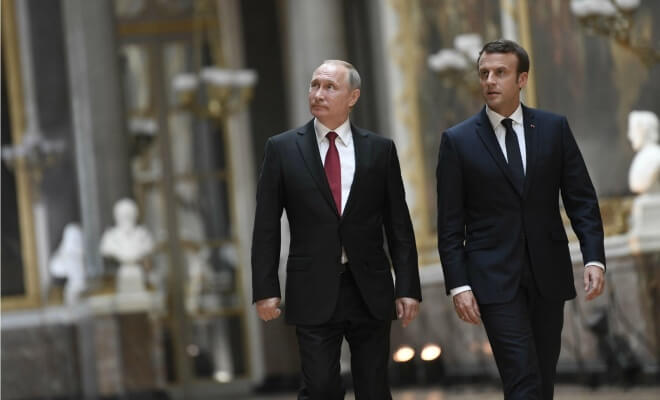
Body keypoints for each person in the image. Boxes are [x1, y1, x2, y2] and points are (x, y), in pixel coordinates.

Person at [436, 39, 605, 400]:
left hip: (548, 273)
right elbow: (449, 224)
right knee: (522, 379)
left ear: (522, 79)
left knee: (543, 380)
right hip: (493, 279)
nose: (490, 81)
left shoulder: (553, 128)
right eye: (484, 73)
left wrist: (594, 257)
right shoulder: (457, 141)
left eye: (500, 72)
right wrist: (459, 284)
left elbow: (582, 200)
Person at [251, 60, 422, 399]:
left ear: (353, 97)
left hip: (369, 287)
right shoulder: (282, 148)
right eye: (315, 85)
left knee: (374, 388)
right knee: (320, 388)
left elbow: (398, 224)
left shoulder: (379, 149)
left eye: (330, 87)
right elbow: (266, 224)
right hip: (311, 286)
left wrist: (407, 286)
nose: (318, 94)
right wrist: (265, 288)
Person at [627, 110, 660, 194]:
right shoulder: (641, 157)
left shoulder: (656, 156)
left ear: (643, 130)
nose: (629, 135)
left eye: (632, 130)